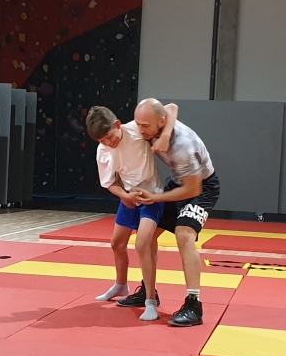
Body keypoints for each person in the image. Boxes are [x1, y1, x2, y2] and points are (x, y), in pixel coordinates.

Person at [132, 98, 219, 327]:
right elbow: (171, 107)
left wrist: (156, 198)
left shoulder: (183, 146)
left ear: (160, 122)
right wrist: (164, 134)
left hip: (202, 188)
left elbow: (193, 189)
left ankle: (194, 305)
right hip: (179, 182)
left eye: (145, 126)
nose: (140, 131)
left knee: (184, 233)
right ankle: (148, 292)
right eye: (138, 124)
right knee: (146, 235)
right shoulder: (160, 122)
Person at [85, 106, 166, 321]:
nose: (108, 143)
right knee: (117, 243)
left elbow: (166, 115)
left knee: (143, 243)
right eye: (102, 141)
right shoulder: (103, 151)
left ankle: (150, 300)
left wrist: (164, 137)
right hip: (129, 197)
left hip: (152, 196)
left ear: (118, 125)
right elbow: (109, 182)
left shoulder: (137, 131)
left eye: (110, 137)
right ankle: (121, 285)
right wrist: (124, 195)